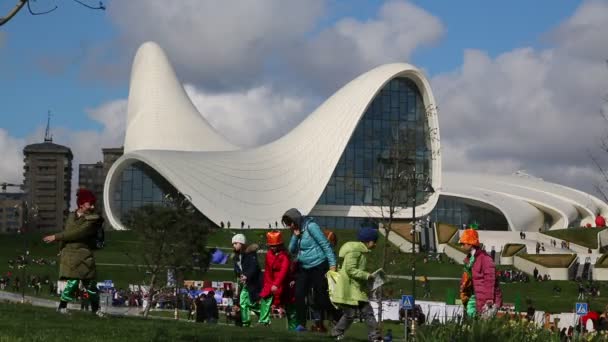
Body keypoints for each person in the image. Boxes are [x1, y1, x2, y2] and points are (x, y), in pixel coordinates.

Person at [42, 188, 104, 316]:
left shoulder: (93, 220)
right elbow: (67, 232)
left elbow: (77, 233)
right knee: (73, 282)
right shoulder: (71, 216)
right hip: (70, 255)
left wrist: (56, 237)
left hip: (84, 255)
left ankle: (96, 309)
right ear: (81, 204)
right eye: (89, 204)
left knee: (90, 284)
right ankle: (62, 307)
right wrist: (60, 249)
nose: (92, 206)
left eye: (93, 204)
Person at [283, 208, 338, 332]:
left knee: (321, 298)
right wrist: (295, 237)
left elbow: (325, 245)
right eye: (287, 224)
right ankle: (301, 324)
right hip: (304, 267)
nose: (289, 226)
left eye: (290, 222)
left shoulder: (311, 226)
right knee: (299, 294)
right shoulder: (295, 231)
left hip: (319, 265)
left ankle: (337, 318)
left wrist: (332, 265)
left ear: (296, 219)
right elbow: (291, 250)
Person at [330, 227, 381, 342]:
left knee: (367, 312)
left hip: (356, 288)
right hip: (349, 288)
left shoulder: (361, 252)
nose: (375, 245)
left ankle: (375, 336)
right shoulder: (355, 251)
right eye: (375, 242)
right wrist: (367, 276)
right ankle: (336, 332)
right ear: (369, 241)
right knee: (350, 314)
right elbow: (350, 269)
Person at [458, 227, 502, 318]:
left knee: (484, 329)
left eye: (463, 243)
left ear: (471, 244)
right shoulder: (469, 260)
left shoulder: (485, 258)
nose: (461, 246)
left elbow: (490, 280)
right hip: (475, 300)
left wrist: (489, 300)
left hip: (487, 303)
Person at [259, 230, 297, 329]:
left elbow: (283, 271)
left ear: (280, 245)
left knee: (289, 304)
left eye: (275, 245)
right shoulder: (268, 254)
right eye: (271, 245)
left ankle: (293, 327)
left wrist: (276, 284)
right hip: (271, 282)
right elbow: (267, 271)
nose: (273, 248)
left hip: (285, 283)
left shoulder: (284, 256)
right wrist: (267, 285)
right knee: (265, 298)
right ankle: (264, 322)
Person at [232, 233, 262, 327]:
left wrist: (247, 276)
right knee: (243, 302)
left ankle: (264, 316)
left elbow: (254, 267)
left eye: (235, 243)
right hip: (243, 283)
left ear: (241, 243)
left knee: (251, 303)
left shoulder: (250, 254)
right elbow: (237, 270)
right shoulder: (236, 257)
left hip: (252, 283)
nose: (233, 245)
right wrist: (239, 277)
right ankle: (245, 323)